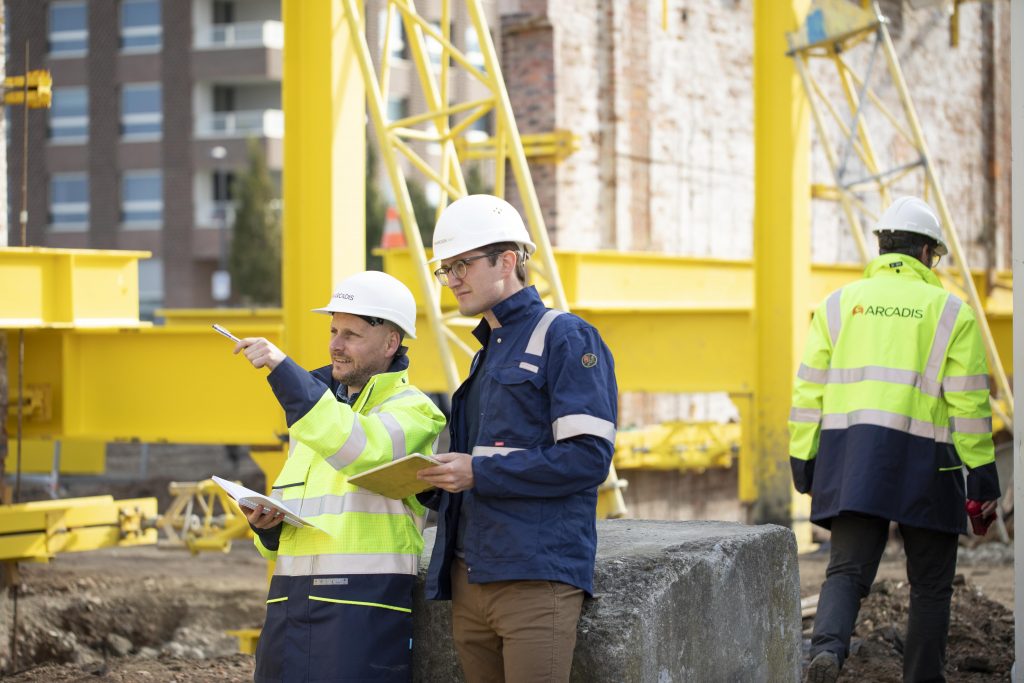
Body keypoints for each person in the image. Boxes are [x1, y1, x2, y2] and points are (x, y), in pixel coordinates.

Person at [790, 197, 1001, 683]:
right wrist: (982, 479)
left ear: (883, 248)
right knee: (930, 586)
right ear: (926, 252)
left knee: (846, 571)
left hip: (853, 460)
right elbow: (969, 405)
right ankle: (922, 677)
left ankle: (827, 651)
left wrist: (803, 460)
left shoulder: (837, 306)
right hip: (929, 464)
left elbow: (807, 392)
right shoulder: (952, 312)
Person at [416, 194, 619, 683]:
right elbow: (480, 464)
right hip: (468, 578)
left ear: (507, 261)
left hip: (534, 579)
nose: (452, 280)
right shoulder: (486, 353)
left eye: (461, 265)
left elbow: (588, 458)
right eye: (446, 269)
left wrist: (477, 472)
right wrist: (430, 480)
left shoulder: (567, 337)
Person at [234, 271, 446, 683]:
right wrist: (268, 530)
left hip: (362, 607)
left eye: (351, 334)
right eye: (333, 331)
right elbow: (291, 532)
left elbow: (362, 449)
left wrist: (285, 372)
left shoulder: (414, 411)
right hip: (289, 603)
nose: (335, 345)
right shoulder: (315, 418)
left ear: (391, 343)